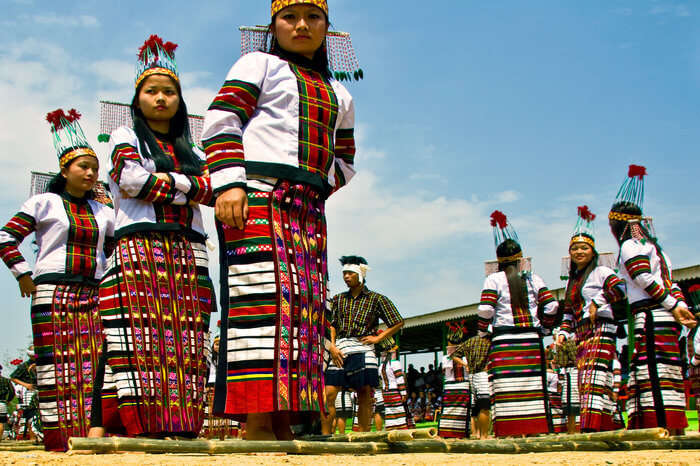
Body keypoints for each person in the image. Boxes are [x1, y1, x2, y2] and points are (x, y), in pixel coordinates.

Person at [201, 0, 360, 440]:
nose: (302, 25)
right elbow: (222, 118)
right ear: (274, 25)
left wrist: (315, 189)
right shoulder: (258, 64)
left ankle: (283, 420)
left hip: (307, 209)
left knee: (303, 313)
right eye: (291, 17)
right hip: (255, 196)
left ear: (328, 27)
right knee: (261, 305)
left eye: (314, 17)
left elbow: (345, 160)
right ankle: (255, 424)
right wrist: (231, 182)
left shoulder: (339, 93)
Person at [99, 35, 214, 438]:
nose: (161, 98)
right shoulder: (123, 138)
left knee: (187, 338)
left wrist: (167, 181)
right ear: (138, 99)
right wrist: (186, 185)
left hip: (189, 247)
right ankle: (142, 425)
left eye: (169, 91)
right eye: (152, 91)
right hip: (140, 244)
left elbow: (212, 189)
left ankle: (183, 426)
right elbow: (131, 181)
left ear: (180, 100)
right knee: (141, 334)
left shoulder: (194, 147)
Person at [0, 110, 114, 450]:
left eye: (95, 168)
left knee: (94, 366)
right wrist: (22, 273)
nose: (91, 173)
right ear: (64, 170)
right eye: (83, 167)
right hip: (51, 291)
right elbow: (6, 237)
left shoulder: (104, 212)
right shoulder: (43, 202)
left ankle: (90, 436)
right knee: (54, 366)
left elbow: (115, 250)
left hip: (94, 293)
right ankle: (58, 439)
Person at [608, 165, 696, 435]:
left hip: (650, 315)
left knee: (653, 370)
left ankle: (659, 426)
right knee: (667, 369)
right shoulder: (657, 249)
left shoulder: (630, 246)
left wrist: (673, 305)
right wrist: (679, 306)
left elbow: (643, 278)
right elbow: (672, 284)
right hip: (666, 316)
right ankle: (674, 426)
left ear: (619, 225)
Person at [477, 211, 559, 437]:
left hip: (504, 340)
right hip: (530, 339)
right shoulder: (533, 278)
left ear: (498, 260)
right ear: (520, 258)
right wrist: (545, 328)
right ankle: (535, 430)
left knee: (507, 387)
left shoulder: (493, 279)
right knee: (532, 385)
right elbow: (551, 306)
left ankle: (510, 431)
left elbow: (485, 309)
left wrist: (483, 331)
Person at [558, 206, 627, 432]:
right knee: (588, 378)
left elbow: (620, 288)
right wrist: (561, 332)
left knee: (593, 377)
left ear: (592, 251)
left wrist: (598, 301)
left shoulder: (602, 273)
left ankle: (592, 427)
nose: (579, 252)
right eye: (575, 248)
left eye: (584, 247)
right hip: (581, 332)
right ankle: (609, 424)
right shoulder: (572, 283)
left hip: (601, 328)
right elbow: (568, 312)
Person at [324, 256, 404, 433]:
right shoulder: (337, 299)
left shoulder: (377, 299)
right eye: (344, 273)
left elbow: (398, 322)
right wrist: (332, 346)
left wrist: (377, 339)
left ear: (360, 275)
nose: (346, 276)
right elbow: (331, 324)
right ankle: (325, 438)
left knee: (364, 393)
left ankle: (364, 437)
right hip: (341, 347)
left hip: (364, 347)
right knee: (329, 393)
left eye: (350, 273)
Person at [454, 332, 491, 439]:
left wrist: (466, 365)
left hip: (472, 376)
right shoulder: (488, 342)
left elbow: (454, 355)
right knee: (484, 406)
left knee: (476, 407)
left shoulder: (470, 341)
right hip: (483, 375)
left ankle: (478, 434)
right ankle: (484, 435)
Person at [437, 322, 470, 438]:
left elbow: (444, 371)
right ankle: (459, 433)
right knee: (461, 411)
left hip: (452, 387)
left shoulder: (446, 358)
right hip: (462, 386)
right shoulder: (466, 357)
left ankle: (448, 432)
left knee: (449, 410)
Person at [378, 344, 409, 430]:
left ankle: (391, 430)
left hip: (386, 392)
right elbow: (399, 379)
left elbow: (380, 379)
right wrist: (403, 393)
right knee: (399, 411)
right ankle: (402, 432)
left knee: (389, 411)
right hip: (394, 391)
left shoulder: (381, 366)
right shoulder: (395, 363)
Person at [0, 364, 15, 440]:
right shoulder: (6, 380)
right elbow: (12, 391)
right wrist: (8, 400)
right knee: (1, 422)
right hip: (2, 403)